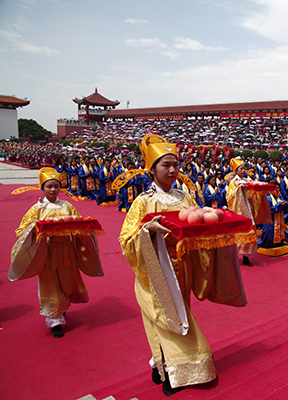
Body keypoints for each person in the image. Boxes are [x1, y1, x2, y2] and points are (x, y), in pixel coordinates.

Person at [119, 134, 247, 396]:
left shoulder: (185, 196)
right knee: (166, 317)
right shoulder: (142, 201)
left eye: (175, 164)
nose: (173, 170)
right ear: (151, 169)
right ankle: (177, 370)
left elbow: (194, 230)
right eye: (165, 165)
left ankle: (160, 365)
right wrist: (147, 230)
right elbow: (126, 239)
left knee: (176, 314)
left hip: (183, 267)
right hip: (155, 269)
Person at [9, 168, 104, 338]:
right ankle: (54, 321)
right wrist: (36, 227)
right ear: (42, 188)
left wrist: (85, 226)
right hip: (46, 252)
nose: (53, 190)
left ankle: (62, 308)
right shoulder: (37, 208)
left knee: (67, 282)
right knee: (50, 284)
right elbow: (21, 230)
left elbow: (77, 222)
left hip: (66, 250)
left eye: (56, 186)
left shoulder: (67, 205)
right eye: (49, 187)